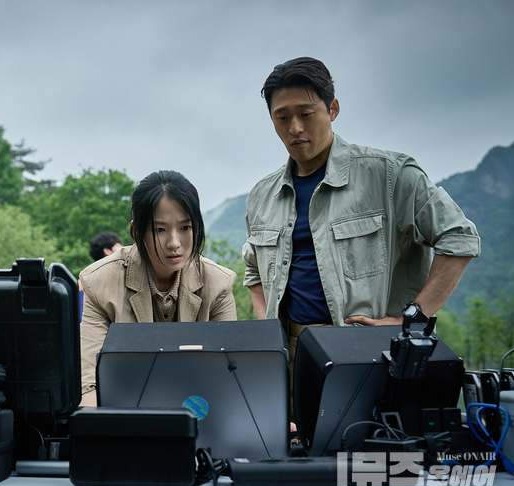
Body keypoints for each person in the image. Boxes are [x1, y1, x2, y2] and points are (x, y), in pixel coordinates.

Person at [242, 57, 480, 390]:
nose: (294, 128)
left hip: (372, 352)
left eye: (306, 114)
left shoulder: (389, 175)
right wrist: (269, 331)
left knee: (371, 427)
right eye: (282, 117)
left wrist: (412, 320)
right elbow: (254, 269)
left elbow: (459, 238)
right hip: (289, 356)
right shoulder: (262, 195)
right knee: (293, 427)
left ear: (333, 109)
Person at [80, 170, 238, 406]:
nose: (174, 243)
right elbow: (89, 386)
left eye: (185, 227)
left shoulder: (218, 284)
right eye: (159, 230)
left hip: (197, 413)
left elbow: (230, 379)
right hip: (123, 411)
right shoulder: (100, 282)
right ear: (136, 231)